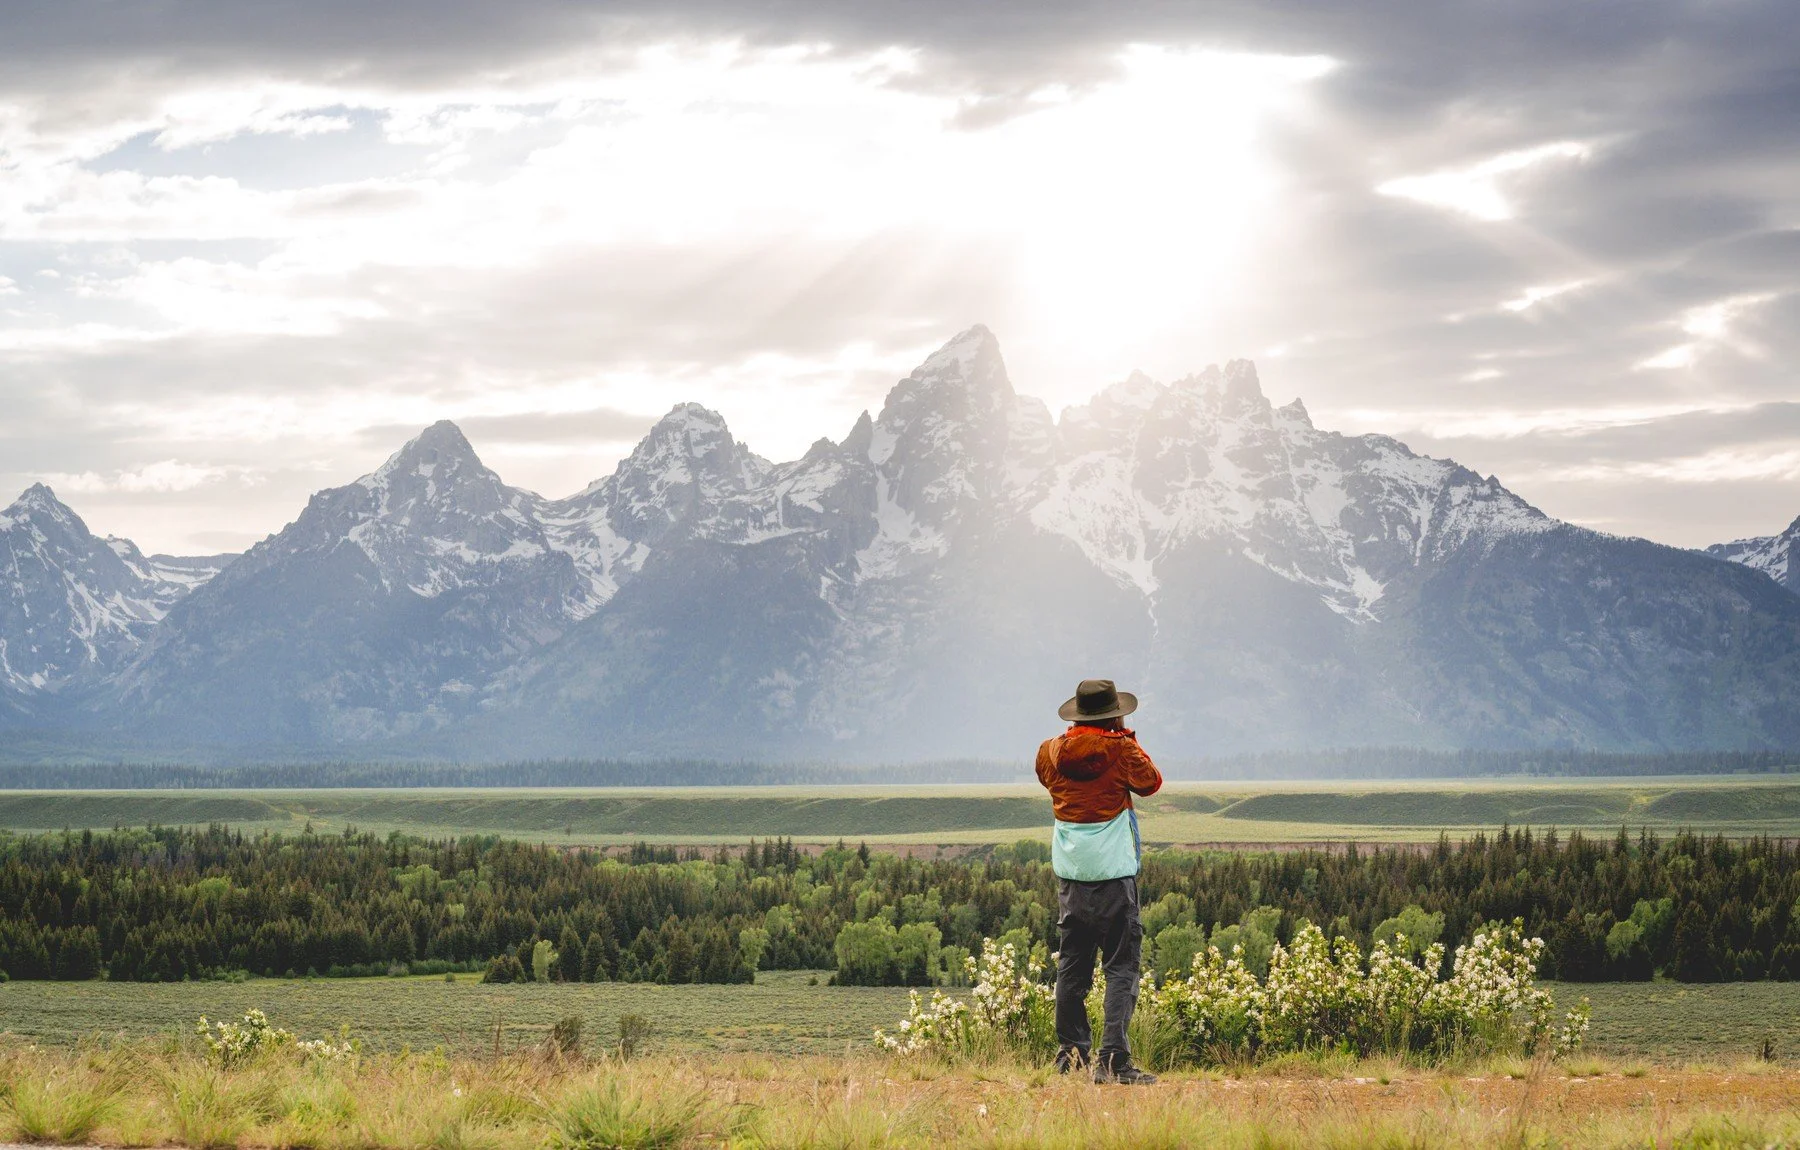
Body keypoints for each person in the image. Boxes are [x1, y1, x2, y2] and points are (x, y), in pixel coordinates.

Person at [1035, 678, 1163, 1085]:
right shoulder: (1121, 750)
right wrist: (1125, 738)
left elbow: (1051, 775)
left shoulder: (1048, 753)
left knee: (1072, 968)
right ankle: (1113, 1062)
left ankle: (1070, 1056)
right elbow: (1151, 783)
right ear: (1114, 715)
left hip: (1071, 878)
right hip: (1114, 877)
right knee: (1121, 967)